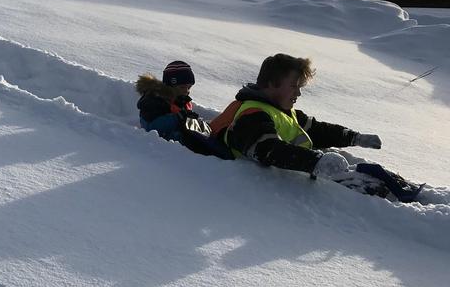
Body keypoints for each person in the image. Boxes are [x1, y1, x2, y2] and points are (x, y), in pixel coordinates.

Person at [221, 53, 422, 200]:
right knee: (366, 192)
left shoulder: (281, 111)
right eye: (293, 86)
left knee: (373, 178)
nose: (298, 94)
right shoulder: (252, 115)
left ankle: (401, 193)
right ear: (272, 84)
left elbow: (317, 130)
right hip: (266, 193)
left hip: (300, 176)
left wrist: (354, 137)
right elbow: (269, 150)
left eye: (299, 88)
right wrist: (317, 162)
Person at [136, 61, 230, 158]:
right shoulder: (154, 100)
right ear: (170, 85)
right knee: (196, 140)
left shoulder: (182, 100)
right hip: (169, 144)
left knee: (211, 131)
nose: (187, 91)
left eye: (189, 87)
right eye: (182, 87)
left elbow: (184, 120)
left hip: (182, 135)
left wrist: (192, 120)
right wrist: (178, 118)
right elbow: (150, 127)